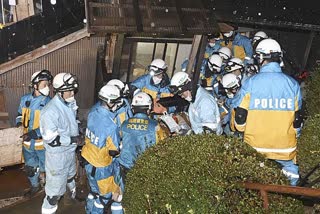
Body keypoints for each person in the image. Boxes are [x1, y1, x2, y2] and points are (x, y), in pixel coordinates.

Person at [234, 39, 303, 186]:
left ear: (260, 57)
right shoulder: (293, 84)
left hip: (255, 146)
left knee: (253, 184)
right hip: (285, 147)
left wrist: (242, 130)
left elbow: (240, 115)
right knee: (290, 179)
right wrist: (296, 134)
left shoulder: (250, 83)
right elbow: (297, 119)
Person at [40, 72, 82, 214]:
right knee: (53, 193)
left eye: (73, 90)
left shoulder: (69, 103)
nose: (72, 93)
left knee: (70, 176)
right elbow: (51, 140)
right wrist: (73, 139)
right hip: (57, 158)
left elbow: (70, 122)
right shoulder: (50, 111)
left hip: (69, 152)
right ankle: (49, 209)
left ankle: (71, 197)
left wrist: (78, 127)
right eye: (69, 91)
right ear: (60, 92)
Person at [81, 84, 123, 214]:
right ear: (110, 102)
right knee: (105, 197)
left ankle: (88, 209)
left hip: (88, 161)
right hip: (102, 167)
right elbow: (114, 150)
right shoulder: (111, 124)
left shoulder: (93, 113)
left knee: (94, 191)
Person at [118, 92, 167, 192]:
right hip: (144, 167)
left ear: (133, 108)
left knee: (126, 193)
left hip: (125, 166)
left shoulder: (124, 124)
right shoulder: (155, 126)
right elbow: (163, 145)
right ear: (149, 108)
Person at [16, 70, 53, 196]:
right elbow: (20, 114)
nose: (47, 88)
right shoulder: (24, 99)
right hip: (27, 143)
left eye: (48, 84)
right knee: (30, 168)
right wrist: (19, 124)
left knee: (46, 169)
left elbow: (50, 125)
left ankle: (49, 190)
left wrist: (34, 133)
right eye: (44, 85)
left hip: (42, 145)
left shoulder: (50, 103)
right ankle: (35, 186)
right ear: (35, 85)